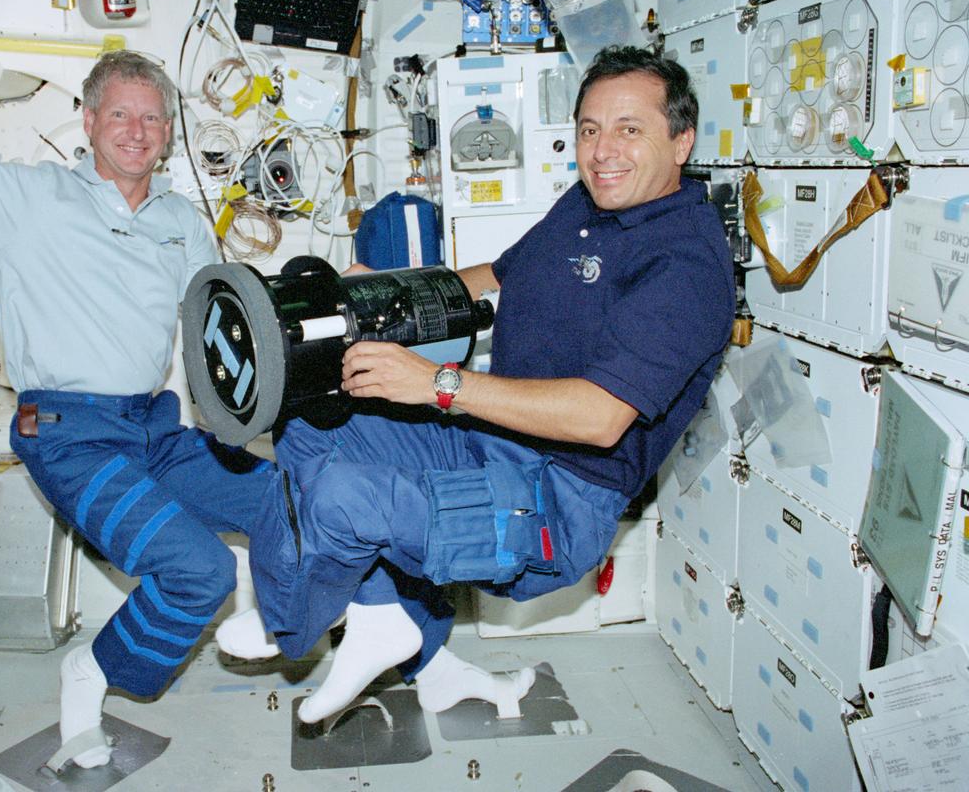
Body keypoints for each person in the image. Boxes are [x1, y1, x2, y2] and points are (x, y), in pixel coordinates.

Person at [243, 45, 736, 724]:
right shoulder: (587, 204)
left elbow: (599, 419)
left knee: (342, 500)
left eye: (630, 129)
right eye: (589, 129)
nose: (603, 151)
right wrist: (383, 296)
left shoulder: (687, 266)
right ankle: (391, 627)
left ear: (681, 141)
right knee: (308, 418)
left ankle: (295, 626)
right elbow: (496, 277)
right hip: (491, 438)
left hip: (559, 497)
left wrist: (437, 384)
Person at [0, 52, 274, 771]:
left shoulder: (181, 220)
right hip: (69, 435)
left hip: (154, 427)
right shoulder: (29, 196)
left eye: (152, 117)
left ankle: (357, 639)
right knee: (203, 571)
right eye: (119, 114)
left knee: (290, 498)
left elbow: (220, 328)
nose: (137, 130)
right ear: (88, 122)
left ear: (168, 131)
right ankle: (88, 673)